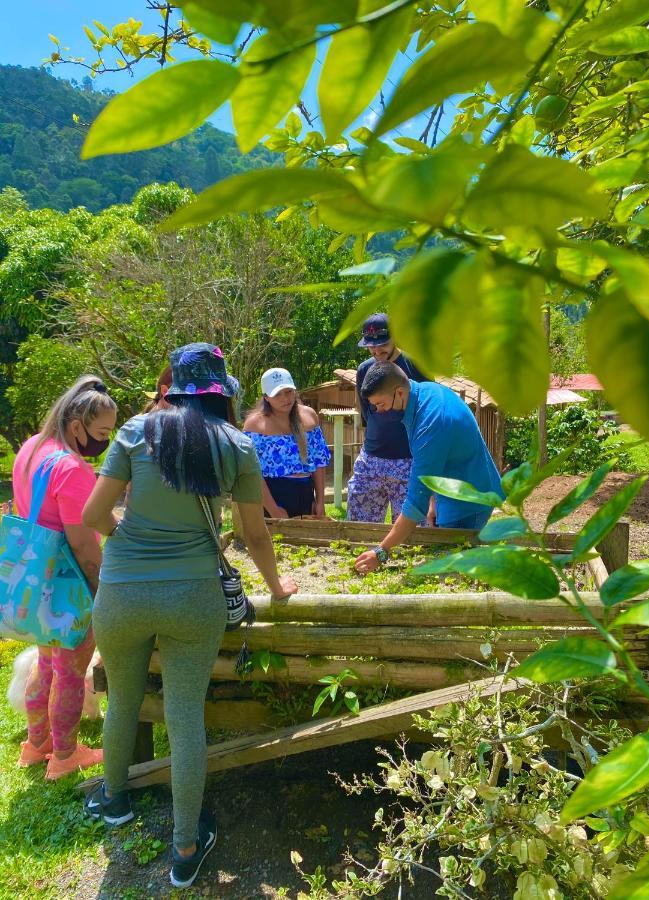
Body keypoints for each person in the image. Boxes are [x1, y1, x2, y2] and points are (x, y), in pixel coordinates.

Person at [81, 342, 297, 891]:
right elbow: (252, 535)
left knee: (123, 697)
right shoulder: (237, 444)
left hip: (121, 594)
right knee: (183, 715)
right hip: (193, 597)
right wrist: (277, 586)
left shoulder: (134, 432)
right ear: (221, 393)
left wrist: (128, 546)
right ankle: (184, 848)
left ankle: (114, 802)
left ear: (173, 388)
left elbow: (92, 515)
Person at [11, 375, 117, 779]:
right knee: (72, 670)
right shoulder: (72, 468)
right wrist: (101, 587)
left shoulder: (32, 448)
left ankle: (36, 745)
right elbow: (84, 545)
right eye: (102, 432)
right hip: (67, 583)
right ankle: (65, 755)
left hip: (36, 578)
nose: (105, 441)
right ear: (77, 426)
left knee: (46, 662)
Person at [354, 362, 504, 575]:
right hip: (450, 487)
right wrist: (433, 504)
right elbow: (432, 467)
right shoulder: (422, 393)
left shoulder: (430, 424)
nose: (379, 411)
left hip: (469, 500)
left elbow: (415, 504)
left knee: (455, 571)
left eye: (381, 404)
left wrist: (381, 552)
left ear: (399, 392)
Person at [348, 313, 432, 523]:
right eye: (370, 346)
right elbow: (367, 414)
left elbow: (430, 417)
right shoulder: (364, 370)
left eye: (382, 344)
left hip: (409, 461)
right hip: (371, 459)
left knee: (411, 538)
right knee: (358, 528)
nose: (376, 350)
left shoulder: (418, 366)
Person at [243, 367, 331, 519]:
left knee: (306, 541)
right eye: (277, 394)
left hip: (305, 492)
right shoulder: (255, 425)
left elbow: (318, 461)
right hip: (272, 495)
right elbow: (252, 472)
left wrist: (320, 501)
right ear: (266, 397)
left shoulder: (309, 416)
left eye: (289, 391)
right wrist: (273, 509)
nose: (285, 398)